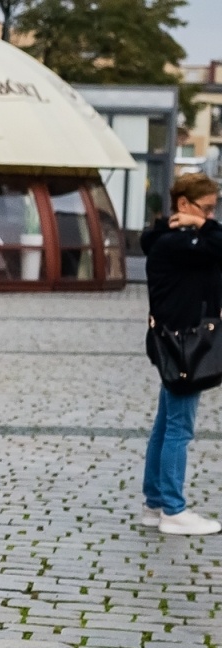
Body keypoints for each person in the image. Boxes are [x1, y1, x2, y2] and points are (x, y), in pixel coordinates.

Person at [139, 171, 222, 536]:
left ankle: (154, 503)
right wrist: (203, 226)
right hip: (185, 344)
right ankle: (173, 509)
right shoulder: (177, 242)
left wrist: (200, 225)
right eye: (206, 209)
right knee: (178, 428)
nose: (210, 216)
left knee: (165, 424)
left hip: (174, 341)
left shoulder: (176, 240)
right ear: (184, 205)